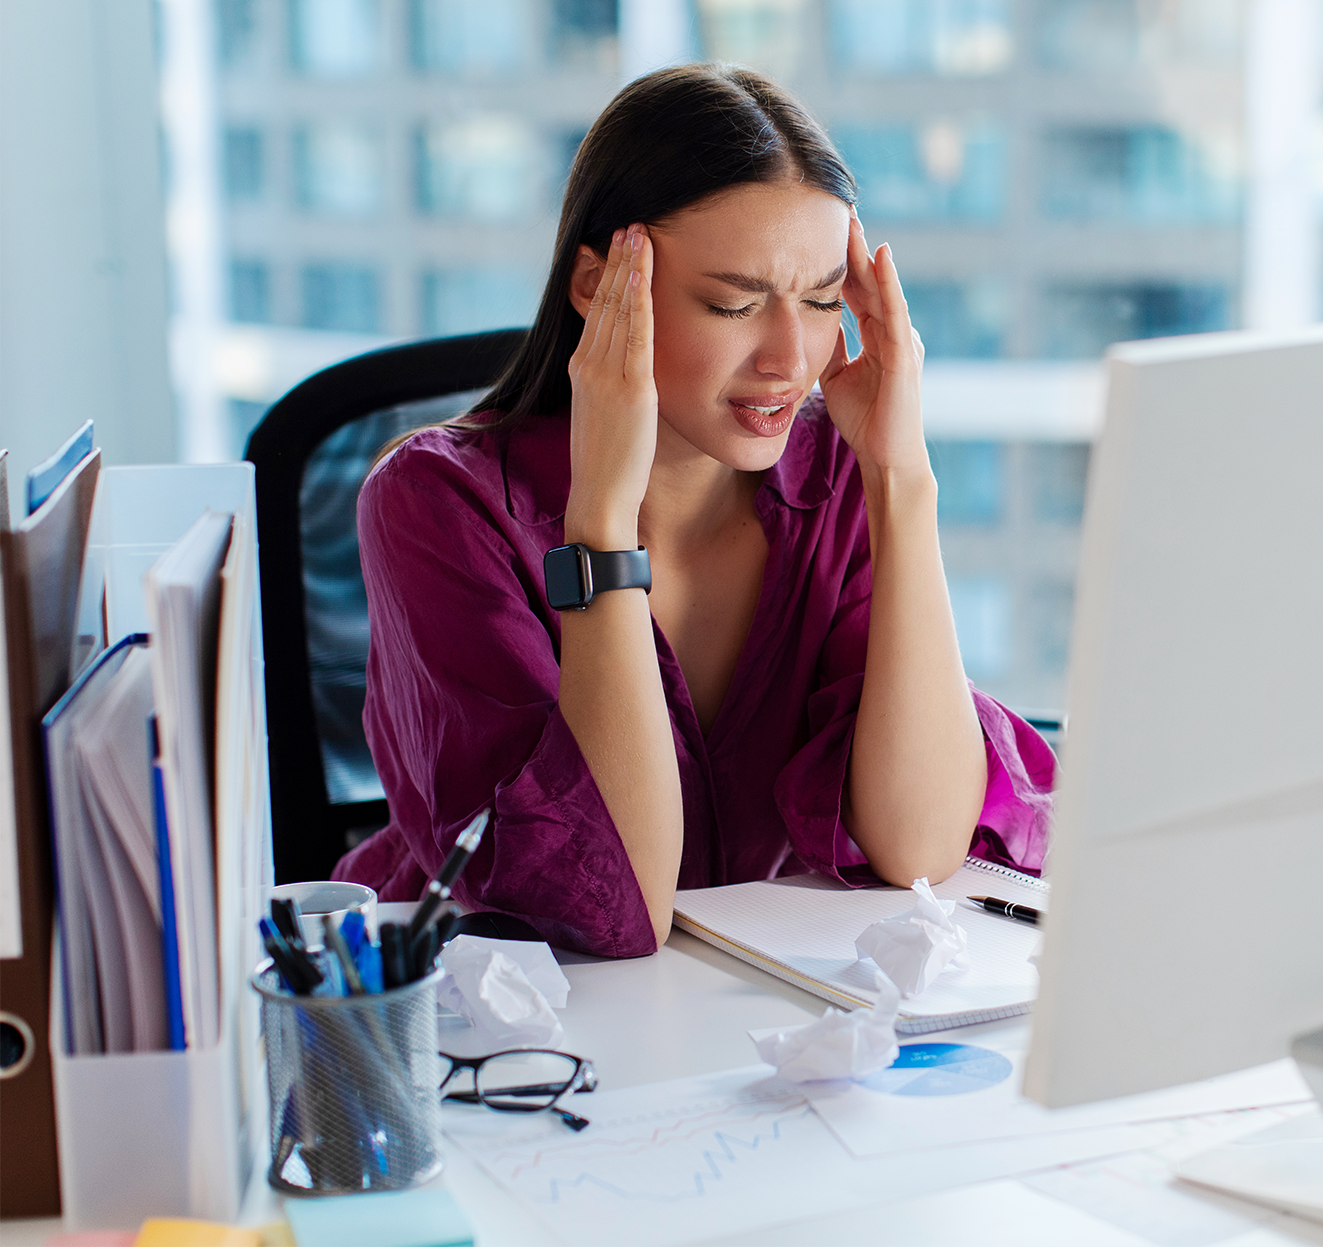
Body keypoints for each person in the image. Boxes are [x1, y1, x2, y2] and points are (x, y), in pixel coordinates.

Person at [333, 64, 1054, 957]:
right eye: (734, 303)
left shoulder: (834, 475)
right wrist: (600, 517)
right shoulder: (434, 506)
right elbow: (620, 908)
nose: (791, 359)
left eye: (824, 300)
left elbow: (920, 844)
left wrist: (900, 476)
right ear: (598, 286)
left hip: (741, 1023)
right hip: (510, 1030)